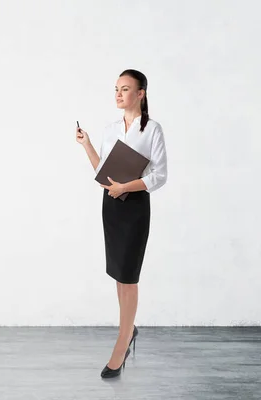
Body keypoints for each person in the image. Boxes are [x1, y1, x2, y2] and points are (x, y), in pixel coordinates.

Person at [75, 69, 168, 378]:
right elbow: (103, 169)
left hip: (136, 206)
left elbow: (159, 176)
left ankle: (123, 340)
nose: (118, 94)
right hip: (112, 206)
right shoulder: (111, 128)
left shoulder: (152, 129)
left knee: (129, 276)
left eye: (125, 89)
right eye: (116, 88)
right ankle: (128, 328)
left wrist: (126, 188)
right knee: (118, 274)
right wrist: (86, 144)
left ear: (140, 94)